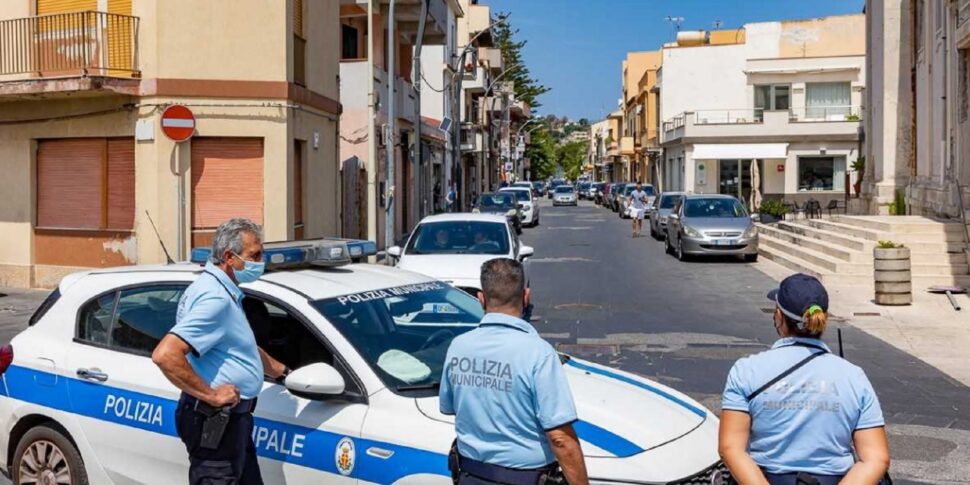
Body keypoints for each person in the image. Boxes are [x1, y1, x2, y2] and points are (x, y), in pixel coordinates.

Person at [152, 218, 290, 485]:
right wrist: (212, 395)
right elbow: (165, 354)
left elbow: (236, 345)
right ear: (229, 257)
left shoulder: (213, 288)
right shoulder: (216, 299)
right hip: (216, 420)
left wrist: (281, 372)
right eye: (255, 255)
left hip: (232, 422)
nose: (261, 262)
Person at [719, 274, 890, 485]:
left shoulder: (746, 370)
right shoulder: (854, 376)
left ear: (779, 317)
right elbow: (876, 459)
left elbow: (730, 448)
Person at [440, 259, 589, 485]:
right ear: (526, 297)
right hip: (525, 478)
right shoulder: (539, 353)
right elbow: (559, 438)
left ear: (481, 299)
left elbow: (450, 407)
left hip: (470, 476)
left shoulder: (458, 347)